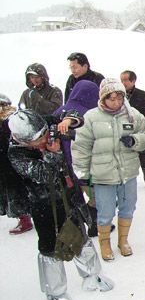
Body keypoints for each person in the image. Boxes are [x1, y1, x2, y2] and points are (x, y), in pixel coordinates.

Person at [8, 109, 113, 300]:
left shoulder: (48, 123)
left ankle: (92, 276)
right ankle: (55, 293)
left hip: (69, 195)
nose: (43, 140)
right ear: (21, 140)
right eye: (36, 140)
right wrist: (53, 153)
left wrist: (69, 120)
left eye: (44, 134)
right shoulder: (16, 154)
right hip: (43, 205)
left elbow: (75, 115)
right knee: (50, 248)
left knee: (80, 237)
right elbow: (42, 174)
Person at [71, 78, 145, 261]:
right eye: (111, 98)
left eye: (119, 98)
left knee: (128, 208)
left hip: (128, 173)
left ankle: (123, 241)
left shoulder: (132, 115)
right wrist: (84, 177)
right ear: (103, 98)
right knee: (105, 212)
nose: (116, 102)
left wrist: (135, 141)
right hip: (103, 176)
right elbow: (81, 148)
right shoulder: (91, 118)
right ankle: (105, 243)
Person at [54, 80, 100, 237]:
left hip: (65, 169)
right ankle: (94, 224)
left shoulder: (59, 111)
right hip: (86, 167)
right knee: (96, 197)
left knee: (75, 198)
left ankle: (82, 224)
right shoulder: (89, 114)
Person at [0, 94, 32, 234]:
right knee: (12, 191)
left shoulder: (10, 119)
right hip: (6, 161)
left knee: (17, 190)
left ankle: (26, 219)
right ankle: (24, 217)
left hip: (12, 161)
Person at [120, 70, 145, 190]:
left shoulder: (142, 95)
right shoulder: (118, 96)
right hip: (124, 132)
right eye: (121, 80)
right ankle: (126, 182)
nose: (123, 82)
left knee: (144, 158)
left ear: (133, 81)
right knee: (124, 158)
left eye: (125, 80)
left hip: (140, 131)